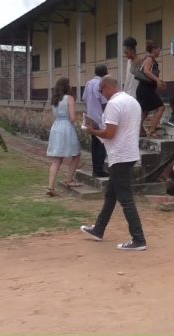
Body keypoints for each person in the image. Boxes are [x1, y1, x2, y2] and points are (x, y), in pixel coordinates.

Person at [81, 76, 147, 251]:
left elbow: (110, 133)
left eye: (101, 91)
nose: (101, 95)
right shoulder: (133, 102)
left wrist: (92, 131)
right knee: (111, 195)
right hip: (129, 152)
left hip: (119, 155)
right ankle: (98, 229)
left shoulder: (113, 104)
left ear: (108, 87)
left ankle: (138, 239)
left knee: (125, 198)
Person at [46, 78, 81, 197]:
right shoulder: (69, 98)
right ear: (66, 86)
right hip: (66, 127)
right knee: (76, 154)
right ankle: (69, 179)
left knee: (57, 159)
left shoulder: (55, 99)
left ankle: (50, 186)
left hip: (56, 127)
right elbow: (72, 118)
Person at [84, 63, 109, 177]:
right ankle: (99, 169)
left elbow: (84, 98)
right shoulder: (101, 84)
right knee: (101, 144)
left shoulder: (88, 83)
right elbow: (104, 102)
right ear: (105, 73)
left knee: (94, 144)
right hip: (99, 117)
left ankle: (95, 168)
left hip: (90, 117)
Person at [137, 40, 166, 137]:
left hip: (144, 88)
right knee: (160, 107)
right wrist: (157, 80)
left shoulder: (151, 60)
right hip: (145, 89)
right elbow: (146, 71)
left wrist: (159, 82)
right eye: (158, 49)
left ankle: (137, 130)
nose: (159, 51)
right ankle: (151, 130)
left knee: (145, 111)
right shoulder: (149, 59)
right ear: (153, 49)